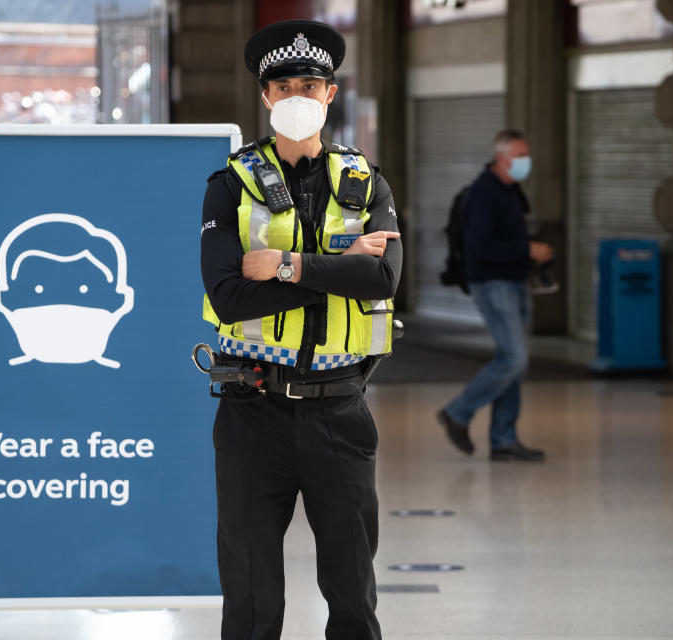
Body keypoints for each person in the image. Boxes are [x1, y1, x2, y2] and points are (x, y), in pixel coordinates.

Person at [199, 19, 402, 640]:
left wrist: (287, 265)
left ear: (330, 94)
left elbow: (384, 281)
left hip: (340, 410)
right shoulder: (229, 185)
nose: (296, 98)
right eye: (283, 87)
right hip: (251, 410)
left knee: (351, 589)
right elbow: (229, 295)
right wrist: (342, 267)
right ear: (266, 98)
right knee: (251, 591)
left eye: (309, 86)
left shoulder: (367, 184)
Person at [436, 129, 551, 462]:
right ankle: (458, 412)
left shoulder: (510, 190)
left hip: (513, 281)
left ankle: (503, 438)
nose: (525, 162)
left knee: (511, 363)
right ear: (501, 158)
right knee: (514, 359)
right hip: (493, 284)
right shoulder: (484, 193)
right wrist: (527, 249)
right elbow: (480, 247)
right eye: (520, 155)